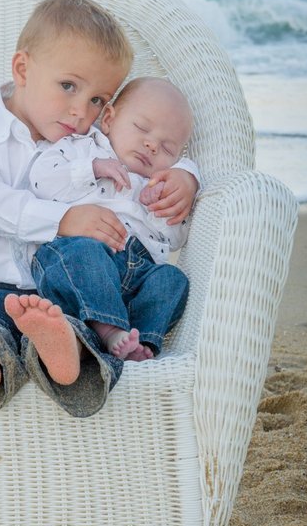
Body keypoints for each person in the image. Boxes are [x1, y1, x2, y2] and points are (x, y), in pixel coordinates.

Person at [0, 0, 199, 417]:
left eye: (97, 100)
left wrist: (186, 176)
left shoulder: (88, 142)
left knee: (68, 321)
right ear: (23, 69)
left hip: (63, 296)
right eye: (69, 86)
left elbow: (148, 153)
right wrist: (64, 220)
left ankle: (67, 351)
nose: (79, 111)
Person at [29, 76, 196, 362]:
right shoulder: (82, 147)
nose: (152, 145)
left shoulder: (157, 182)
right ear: (108, 119)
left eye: (167, 149)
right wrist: (91, 169)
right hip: (76, 257)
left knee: (172, 279)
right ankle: (109, 331)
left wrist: (164, 207)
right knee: (85, 255)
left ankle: (139, 341)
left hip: (136, 273)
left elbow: (176, 239)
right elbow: (40, 181)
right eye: (142, 128)